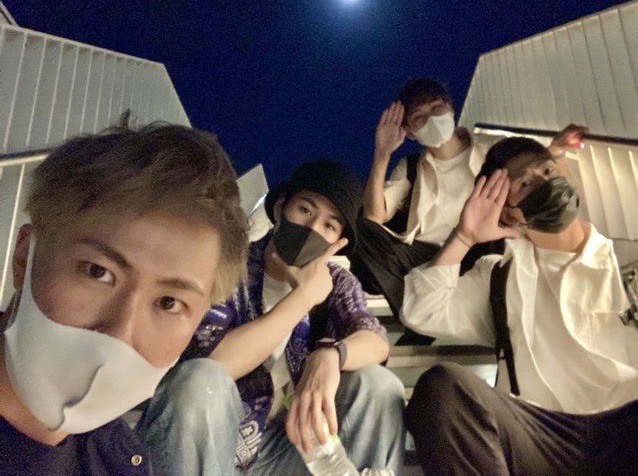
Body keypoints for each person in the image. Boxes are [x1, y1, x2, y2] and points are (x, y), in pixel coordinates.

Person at [401, 136, 638, 475]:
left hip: (636, 433)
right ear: (506, 212)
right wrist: (465, 237)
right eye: (525, 184)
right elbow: (422, 310)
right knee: (442, 389)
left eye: (548, 171)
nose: (545, 184)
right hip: (540, 438)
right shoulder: (497, 277)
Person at [0, 120, 249, 476]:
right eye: (97, 272)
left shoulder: (119, 457)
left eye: (168, 303)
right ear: (25, 257)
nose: (119, 333)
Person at [136, 159, 406, 476]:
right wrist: (302, 298)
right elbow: (212, 365)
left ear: (338, 242)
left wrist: (330, 355)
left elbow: (376, 341)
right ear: (279, 209)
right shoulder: (228, 267)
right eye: (305, 210)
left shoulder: (336, 283)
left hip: (287, 449)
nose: (313, 228)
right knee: (200, 381)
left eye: (329, 226)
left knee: (379, 385)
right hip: (213, 445)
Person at [350, 77, 579, 344]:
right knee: (362, 232)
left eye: (436, 108)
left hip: (482, 245)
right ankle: (419, 317)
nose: (431, 119)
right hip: (429, 254)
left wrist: (555, 152)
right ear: (410, 132)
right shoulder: (411, 166)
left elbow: (530, 172)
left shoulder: (491, 149)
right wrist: (382, 153)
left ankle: (423, 327)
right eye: (419, 118)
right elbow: (374, 218)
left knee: (500, 233)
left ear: (450, 108)